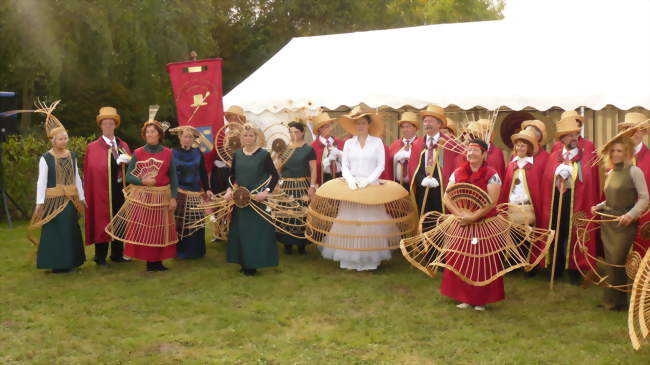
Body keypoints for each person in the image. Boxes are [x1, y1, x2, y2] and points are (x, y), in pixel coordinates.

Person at [316, 106, 408, 271]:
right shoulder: (349, 143)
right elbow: (344, 165)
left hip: (370, 186)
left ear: (368, 125)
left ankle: (370, 259)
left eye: (363, 123)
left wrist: (368, 180)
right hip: (352, 187)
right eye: (357, 123)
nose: (360, 126)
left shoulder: (377, 142)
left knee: (370, 223)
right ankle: (349, 259)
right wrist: (351, 180)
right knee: (350, 222)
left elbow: (381, 165)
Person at [106, 116, 179, 272]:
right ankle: (150, 263)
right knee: (148, 230)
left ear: (159, 134)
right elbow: (130, 176)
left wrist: (173, 197)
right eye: (147, 132)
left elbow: (173, 177)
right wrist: (142, 181)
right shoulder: (138, 153)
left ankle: (158, 262)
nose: (150, 135)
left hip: (162, 196)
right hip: (144, 197)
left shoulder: (168, 153)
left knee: (161, 229)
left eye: (153, 132)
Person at [441, 138, 503, 310]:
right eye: (469, 150)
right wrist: (459, 214)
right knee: (460, 259)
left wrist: (473, 217)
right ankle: (464, 297)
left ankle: (480, 300)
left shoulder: (492, 175)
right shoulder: (458, 172)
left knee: (481, 262)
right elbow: (446, 197)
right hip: (462, 222)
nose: (471, 153)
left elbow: (492, 202)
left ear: (484, 154)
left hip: (483, 224)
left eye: (475, 151)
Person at [540, 116, 600, 285]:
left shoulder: (584, 156)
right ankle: (556, 266)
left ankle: (575, 268)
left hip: (577, 201)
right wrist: (557, 174)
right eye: (571, 135)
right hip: (558, 200)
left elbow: (588, 179)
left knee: (575, 233)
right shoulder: (555, 156)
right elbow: (546, 180)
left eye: (576, 134)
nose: (575, 138)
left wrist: (574, 173)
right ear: (563, 138)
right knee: (557, 231)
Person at [592, 135, 648, 310]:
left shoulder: (634, 171)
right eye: (613, 151)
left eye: (620, 151)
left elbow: (645, 198)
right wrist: (599, 206)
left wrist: (630, 215)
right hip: (608, 221)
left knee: (617, 260)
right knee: (610, 262)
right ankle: (610, 300)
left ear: (627, 153)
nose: (616, 154)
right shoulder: (610, 172)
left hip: (624, 224)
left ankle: (619, 302)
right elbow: (610, 199)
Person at [29, 105, 86, 273]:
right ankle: (56, 263)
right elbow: (41, 181)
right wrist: (40, 203)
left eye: (66, 138)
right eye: (61, 139)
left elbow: (77, 178)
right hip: (53, 202)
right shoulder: (45, 158)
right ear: (52, 141)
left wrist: (81, 197)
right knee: (55, 231)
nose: (64, 141)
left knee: (69, 229)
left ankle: (71, 262)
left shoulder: (72, 156)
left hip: (70, 201)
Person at [224, 124, 280, 276]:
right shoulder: (237, 155)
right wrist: (229, 189)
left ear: (256, 137)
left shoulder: (263, 155)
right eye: (245, 135)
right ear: (241, 138)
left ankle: (254, 263)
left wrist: (266, 192)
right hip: (241, 200)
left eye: (251, 135)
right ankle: (244, 262)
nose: (247, 138)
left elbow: (274, 175)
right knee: (241, 232)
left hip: (257, 201)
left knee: (256, 233)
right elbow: (231, 175)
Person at [83, 106, 132, 266]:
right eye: (105, 124)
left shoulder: (123, 145)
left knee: (119, 220)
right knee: (101, 221)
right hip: (101, 192)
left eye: (111, 123)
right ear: (101, 126)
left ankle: (117, 254)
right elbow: (93, 170)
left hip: (120, 190)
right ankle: (100, 256)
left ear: (115, 125)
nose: (108, 126)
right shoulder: (93, 147)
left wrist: (127, 161)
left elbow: (132, 168)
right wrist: (114, 162)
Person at [499, 128, 545, 273]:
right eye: (517, 145)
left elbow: (537, 188)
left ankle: (530, 264)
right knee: (514, 236)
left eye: (523, 146)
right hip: (513, 207)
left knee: (529, 236)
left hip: (528, 207)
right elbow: (506, 186)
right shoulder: (512, 164)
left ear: (529, 148)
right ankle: (514, 264)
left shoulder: (533, 166)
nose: (519, 148)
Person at [408, 105, 459, 222]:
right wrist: (422, 180)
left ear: (439, 124)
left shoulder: (448, 144)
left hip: (440, 190)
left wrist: (437, 180)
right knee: (424, 221)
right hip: (422, 188)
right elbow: (413, 167)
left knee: (439, 221)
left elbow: (445, 166)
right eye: (425, 121)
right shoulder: (417, 144)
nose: (427, 124)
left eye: (430, 121)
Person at [277, 121, 317, 255]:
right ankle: (287, 244)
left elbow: (313, 169)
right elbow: (277, 167)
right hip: (287, 187)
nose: (294, 134)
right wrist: (277, 182)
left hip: (302, 187)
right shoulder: (285, 149)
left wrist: (312, 186)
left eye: (296, 132)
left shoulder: (309, 149)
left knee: (301, 214)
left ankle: (301, 244)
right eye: (291, 132)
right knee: (286, 214)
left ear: (302, 133)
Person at [171, 126, 211, 259]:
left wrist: (208, 188)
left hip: (195, 193)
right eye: (185, 136)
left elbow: (203, 172)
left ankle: (196, 252)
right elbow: (169, 174)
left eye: (190, 137)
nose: (188, 139)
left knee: (196, 223)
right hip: (180, 193)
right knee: (181, 224)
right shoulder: (173, 153)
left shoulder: (197, 153)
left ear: (193, 139)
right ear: (180, 138)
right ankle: (181, 253)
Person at [310, 112, 344, 185]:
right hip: (323, 180)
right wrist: (328, 161)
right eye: (327, 126)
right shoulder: (313, 146)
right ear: (320, 129)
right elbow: (314, 168)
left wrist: (340, 154)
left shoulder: (339, 142)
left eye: (330, 125)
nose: (331, 128)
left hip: (340, 178)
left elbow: (348, 162)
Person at [389, 111, 419, 189]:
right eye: (402, 127)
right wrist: (395, 159)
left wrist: (411, 158)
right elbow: (388, 165)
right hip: (397, 186)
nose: (405, 130)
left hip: (416, 186)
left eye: (408, 126)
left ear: (415, 128)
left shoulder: (421, 144)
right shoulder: (394, 145)